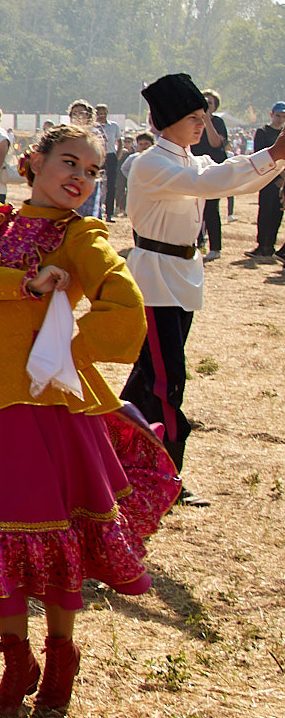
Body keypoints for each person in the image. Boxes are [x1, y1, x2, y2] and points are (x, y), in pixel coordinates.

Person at [0, 122, 179, 716]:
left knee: (54, 532)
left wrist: (74, 349)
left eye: (92, 171)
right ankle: (15, 657)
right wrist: (24, 281)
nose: (79, 178)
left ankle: (61, 657)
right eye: (69, 163)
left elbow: (122, 295)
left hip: (47, 401)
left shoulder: (82, 236)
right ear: (34, 162)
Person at [119, 72, 285, 504]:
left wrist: (277, 159)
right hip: (156, 279)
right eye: (193, 116)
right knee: (166, 382)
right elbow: (213, 184)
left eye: (202, 115)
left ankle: (112, 459)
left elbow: (231, 179)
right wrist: (274, 153)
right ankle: (166, 476)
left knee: (147, 379)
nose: (200, 124)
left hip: (178, 277)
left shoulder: (189, 160)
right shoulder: (153, 163)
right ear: (166, 121)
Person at [196, 90, 231, 261]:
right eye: (203, 101)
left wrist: (207, 120)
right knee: (193, 207)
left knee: (211, 208)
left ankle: (215, 247)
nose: (206, 104)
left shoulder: (218, 122)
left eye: (209, 103)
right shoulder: (191, 122)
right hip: (194, 168)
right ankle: (196, 242)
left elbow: (215, 142)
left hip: (213, 169)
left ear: (215, 106)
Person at [250, 101, 285, 259]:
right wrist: (276, 177)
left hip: (281, 180)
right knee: (264, 213)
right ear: (272, 115)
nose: (280, 119)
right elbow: (260, 156)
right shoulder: (263, 132)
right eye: (278, 116)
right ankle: (261, 245)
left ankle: (270, 245)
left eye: (283, 116)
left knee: (277, 215)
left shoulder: (283, 133)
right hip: (267, 179)